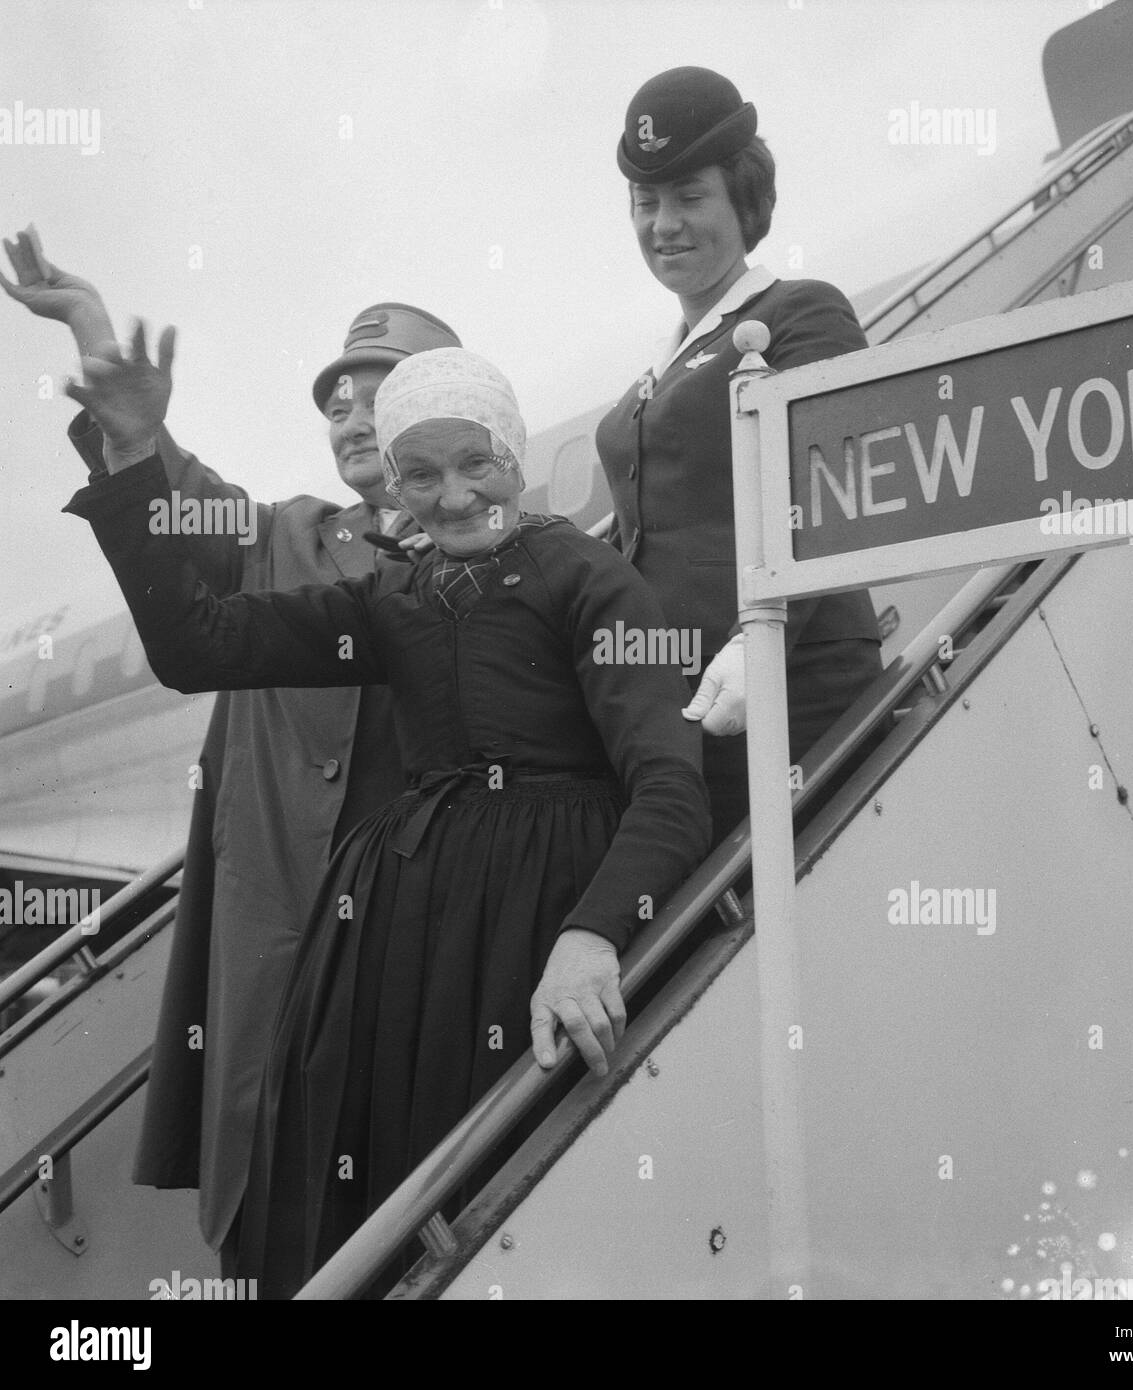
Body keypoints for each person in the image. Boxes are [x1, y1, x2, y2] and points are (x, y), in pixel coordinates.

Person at [63, 336, 712, 1298]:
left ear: (515, 459)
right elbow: (196, 647)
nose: (451, 496)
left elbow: (671, 786)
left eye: (475, 464)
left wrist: (591, 937)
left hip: (534, 923)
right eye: (420, 474)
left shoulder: (594, 580)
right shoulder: (389, 598)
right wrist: (129, 449)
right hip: (396, 941)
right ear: (394, 489)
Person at [1, 226, 461, 1271]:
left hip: (426, 981)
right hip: (287, 992)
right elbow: (179, 509)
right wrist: (117, 401)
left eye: (371, 388)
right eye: (332, 398)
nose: (344, 409)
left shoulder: (518, 562)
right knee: (279, 1244)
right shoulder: (285, 540)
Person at [596, 69, 887, 842]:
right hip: (687, 702)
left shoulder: (799, 312)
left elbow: (832, 488)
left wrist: (763, 642)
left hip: (793, 680)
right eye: (646, 203)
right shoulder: (661, 364)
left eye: (690, 197)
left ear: (744, 201)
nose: (665, 225)